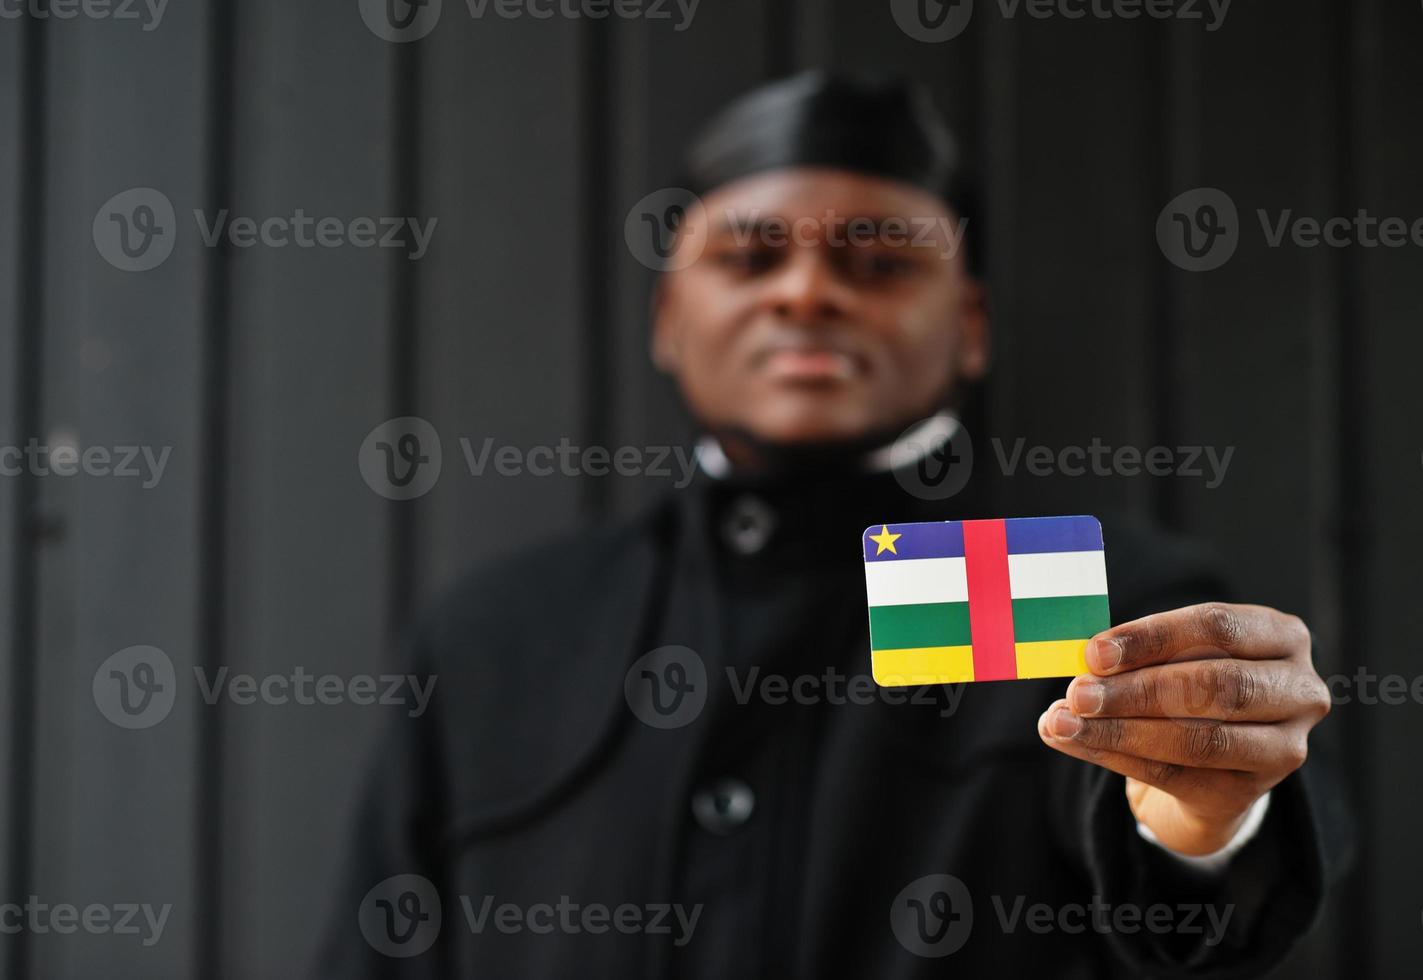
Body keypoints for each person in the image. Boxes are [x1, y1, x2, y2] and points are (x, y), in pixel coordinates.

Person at [322, 72, 1347, 978]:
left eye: (880, 263)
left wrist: (1209, 816)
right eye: (750, 258)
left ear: (971, 326)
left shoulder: (1092, 591)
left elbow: (1209, 898)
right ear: (669, 318)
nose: (807, 291)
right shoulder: (500, 636)